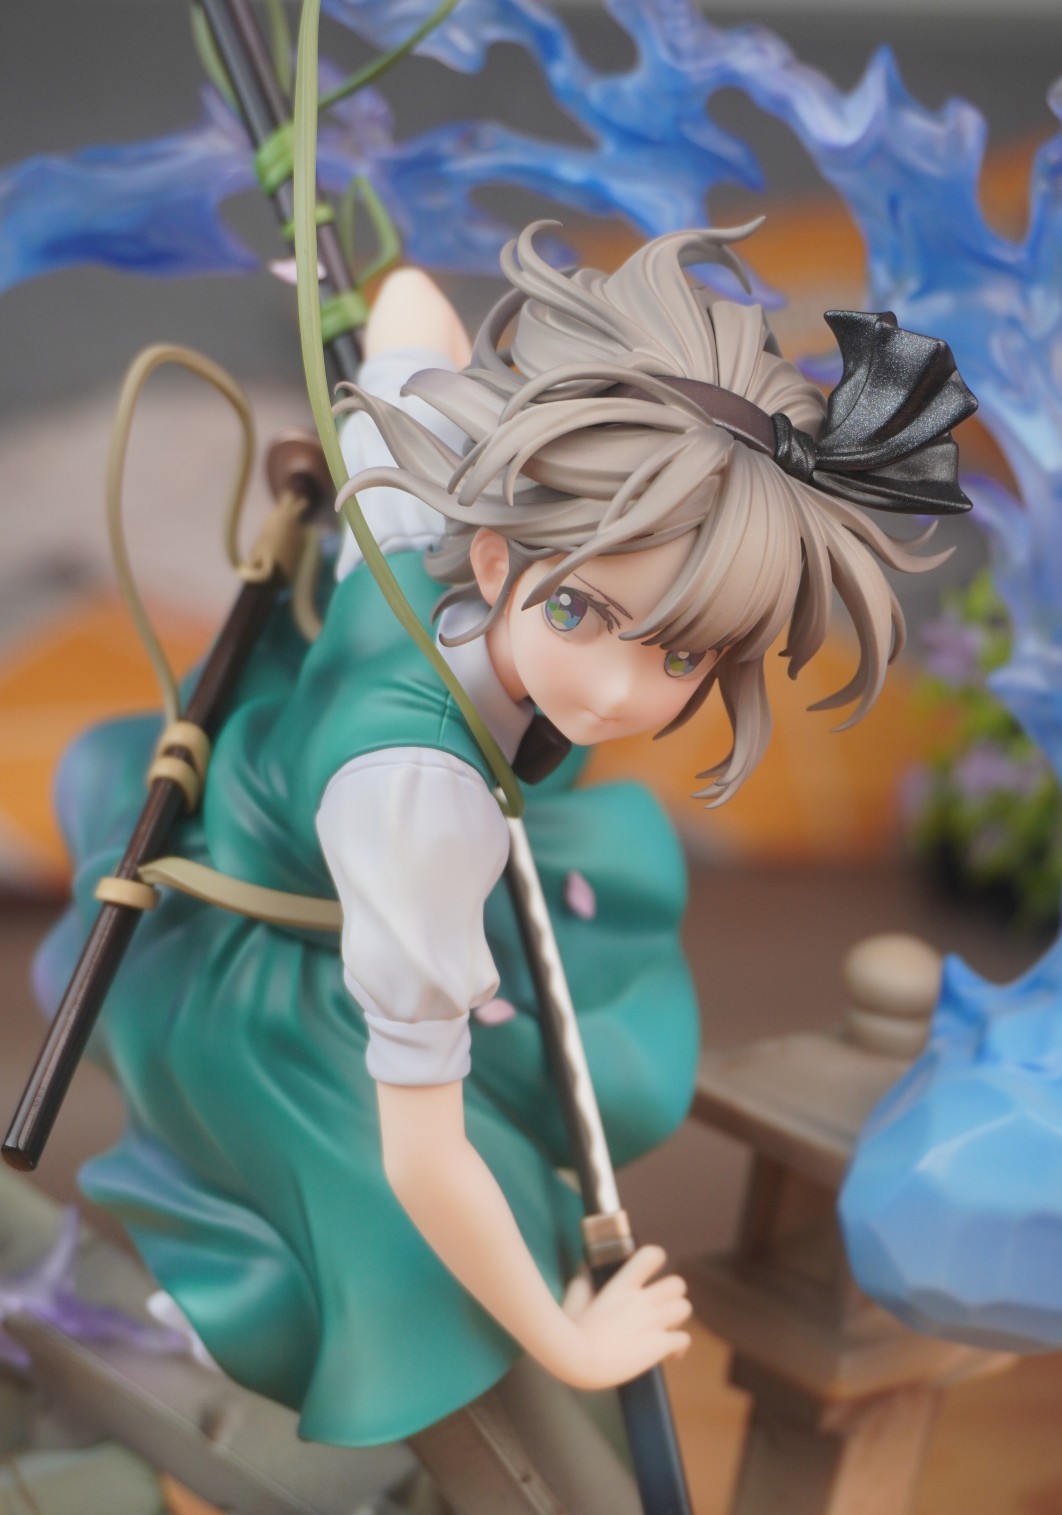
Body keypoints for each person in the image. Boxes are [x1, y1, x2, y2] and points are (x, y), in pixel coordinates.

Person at [36, 220, 974, 1444]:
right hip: (291, 976)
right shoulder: (416, 805)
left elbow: (410, 317)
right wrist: (575, 1344)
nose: (617, 691)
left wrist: (348, 281)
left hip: (399, 859)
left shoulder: (415, 492)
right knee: (427, 1256)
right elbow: (424, 1157)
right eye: (580, 610)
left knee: (599, 1062)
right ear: (493, 558)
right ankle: (227, 1328)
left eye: (683, 654)